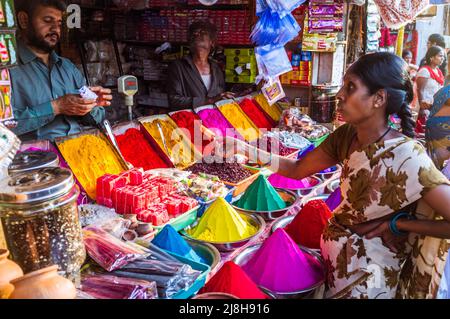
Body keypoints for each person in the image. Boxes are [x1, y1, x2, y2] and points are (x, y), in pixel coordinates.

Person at [219, 52, 450, 299]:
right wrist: (245, 149)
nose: (340, 94)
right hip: (335, 265)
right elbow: (297, 170)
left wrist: (396, 224)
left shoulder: (409, 157)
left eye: (350, 87)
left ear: (379, 98)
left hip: (371, 277)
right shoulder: (346, 136)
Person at [10, 0, 112, 141]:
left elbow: (99, 118)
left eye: (59, 23)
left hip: (79, 150)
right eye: (47, 20)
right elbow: (5, 126)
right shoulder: (8, 70)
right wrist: (56, 107)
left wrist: (91, 105)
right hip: (38, 158)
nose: (56, 30)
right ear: (24, 20)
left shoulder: (67, 67)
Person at [166, 20, 234, 111]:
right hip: (189, 121)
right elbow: (174, 101)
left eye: (203, 32)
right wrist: (209, 101)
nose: (197, 34)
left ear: (212, 42)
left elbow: (221, 98)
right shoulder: (178, 67)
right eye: (194, 33)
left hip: (212, 121)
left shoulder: (217, 69)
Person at [415, 46, 446, 135]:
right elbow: (419, 90)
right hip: (425, 108)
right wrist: (422, 108)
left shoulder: (438, 71)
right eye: (440, 56)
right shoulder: (425, 71)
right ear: (431, 57)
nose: (442, 58)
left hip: (434, 107)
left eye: (443, 56)